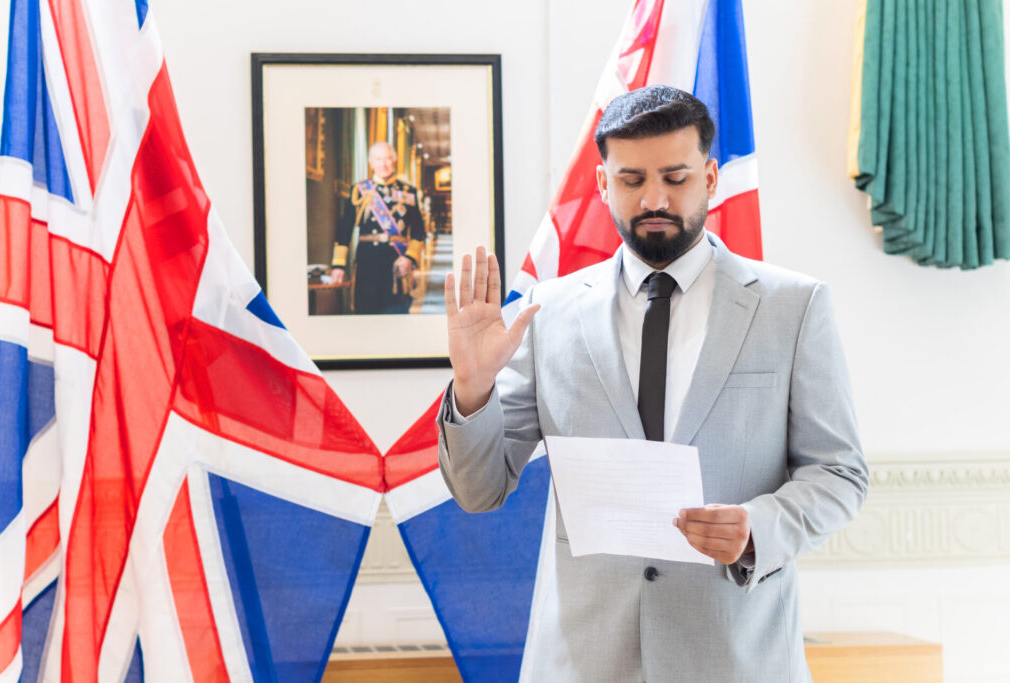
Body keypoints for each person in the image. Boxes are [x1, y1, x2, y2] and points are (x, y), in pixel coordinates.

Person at [436, 86, 868, 682]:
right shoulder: (546, 312)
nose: (655, 198)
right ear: (602, 182)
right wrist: (472, 389)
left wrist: (756, 530)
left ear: (712, 178)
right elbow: (477, 490)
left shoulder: (793, 307)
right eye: (632, 179)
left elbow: (840, 473)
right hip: (582, 661)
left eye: (676, 176)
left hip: (735, 658)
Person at [330, 141, 426, 314]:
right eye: (379, 159)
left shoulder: (409, 191)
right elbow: (345, 229)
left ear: (395, 161)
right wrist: (338, 265)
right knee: (366, 319)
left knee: (397, 318)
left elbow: (418, 232)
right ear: (371, 163)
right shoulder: (359, 190)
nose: (384, 164)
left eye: (388, 158)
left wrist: (410, 259)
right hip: (368, 264)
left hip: (397, 265)